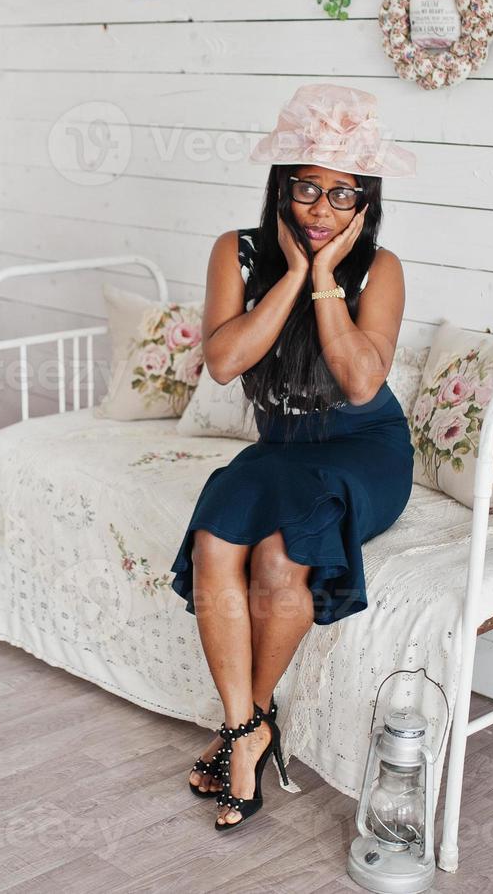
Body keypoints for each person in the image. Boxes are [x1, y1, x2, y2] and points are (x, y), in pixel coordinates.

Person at [169, 83, 417, 831]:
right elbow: (222, 361)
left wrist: (323, 281)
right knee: (215, 542)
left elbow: (360, 378)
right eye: (307, 187)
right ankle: (250, 727)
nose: (320, 208)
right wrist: (285, 276)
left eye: (342, 196)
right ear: (281, 186)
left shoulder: (380, 270)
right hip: (281, 451)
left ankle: (238, 739)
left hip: (362, 453)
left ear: (364, 204)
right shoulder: (236, 252)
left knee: (281, 560)